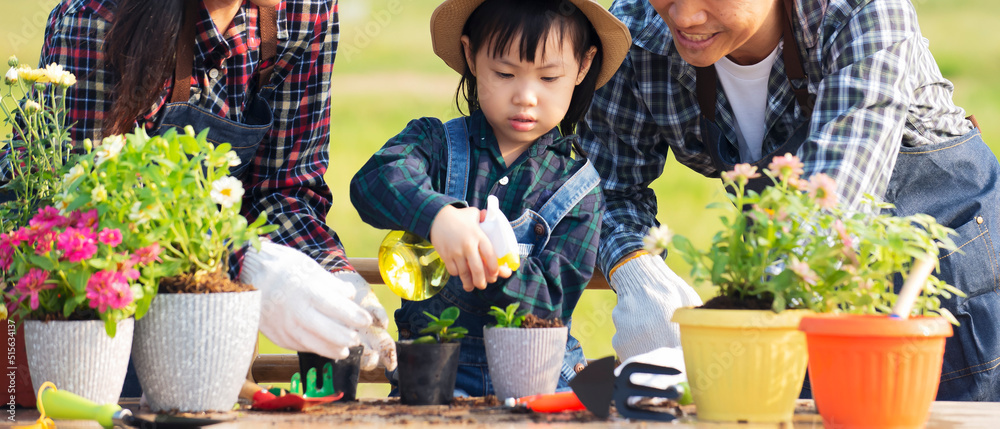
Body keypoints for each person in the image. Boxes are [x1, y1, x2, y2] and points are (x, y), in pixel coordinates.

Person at [578, 0, 1000, 401]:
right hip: (792, 291)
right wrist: (637, 271)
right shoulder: (636, 31)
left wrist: (729, 338)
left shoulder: (856, 12)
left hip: (944, 294)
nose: (684, 16)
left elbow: (831, 203)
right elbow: (611, 187)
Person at [0, 0, 396, 391]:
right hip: (87, 313)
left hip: (205, 310)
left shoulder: (303, 11)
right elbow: (87, 202)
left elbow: (283, 187)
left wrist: (334, 273)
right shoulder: (98, 18)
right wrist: (248, 262)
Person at [350, 0, 630, 396]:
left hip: (540, 380)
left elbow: (551, 301)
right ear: (471, 55)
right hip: (433, 378)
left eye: (549, 78)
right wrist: (439, 217)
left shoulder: (578, 190)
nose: (526, 97)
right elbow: (374, 181)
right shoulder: (435, 146)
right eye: (504, 73)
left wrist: (496, 258)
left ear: (583, 67)